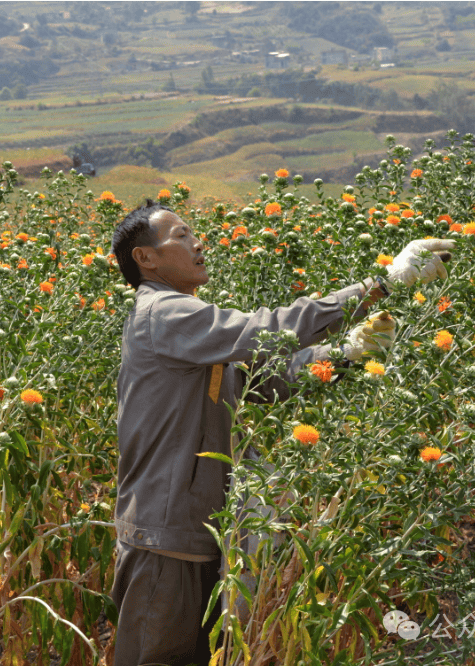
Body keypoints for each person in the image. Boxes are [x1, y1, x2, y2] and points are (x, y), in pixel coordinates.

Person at [108, 200, 453, 666]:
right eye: (181, 235)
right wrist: (379, 286)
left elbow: (265, 380)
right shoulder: (162, 313)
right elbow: (266, 331)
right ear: (145, 259)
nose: (198, 242)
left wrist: (345, 356)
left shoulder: (186, 325)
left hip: (194, 529)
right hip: (162, 535)